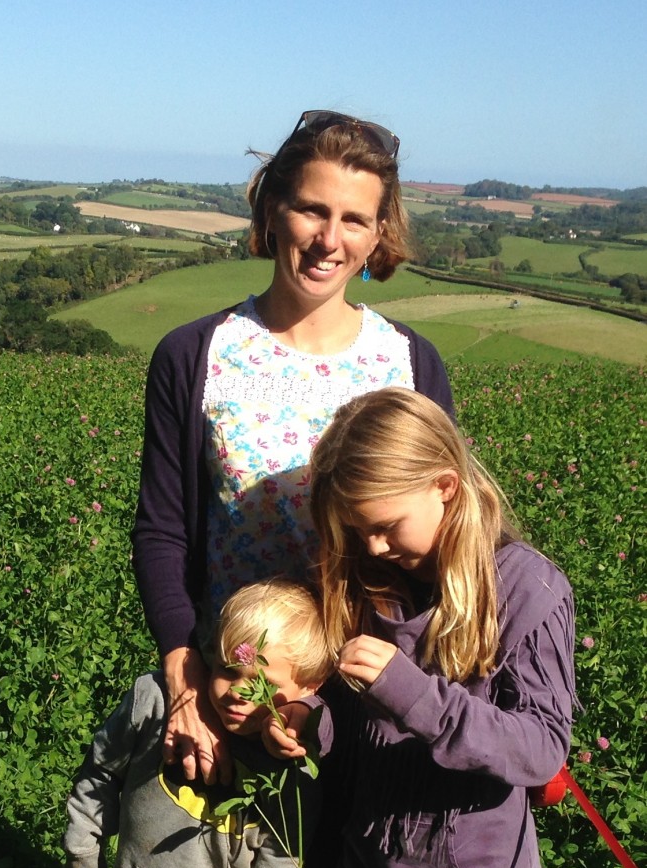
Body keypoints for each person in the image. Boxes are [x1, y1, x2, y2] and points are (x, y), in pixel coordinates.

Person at [131, 109, 454, 784]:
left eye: (355, 220)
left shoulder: (412, 365)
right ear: (273, 209)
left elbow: (451, 540)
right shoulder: (195, 356)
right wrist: (186, 675)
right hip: (233, 696)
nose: (329, 239)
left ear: (378, 234)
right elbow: (163, 530)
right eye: (311, 209)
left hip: (372, 704)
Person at [268, 387, 576, 868]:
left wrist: (415, 694)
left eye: (385, 526)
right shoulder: (371, 585)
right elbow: (353, 721)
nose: (374, 546)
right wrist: (312, 723)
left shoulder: (526, 589)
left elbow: (541, 748)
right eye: (358, 531)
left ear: (445, 486)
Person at [64, 578, 332, 868]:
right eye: (228, 670)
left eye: (261, 682)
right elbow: (100, 773)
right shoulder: (155, 702)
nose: (236, 694)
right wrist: (83, 856)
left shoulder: (292, 781)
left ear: (309, 687)